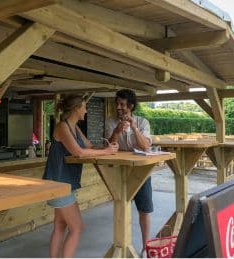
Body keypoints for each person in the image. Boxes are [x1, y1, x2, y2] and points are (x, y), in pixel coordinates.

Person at [43, 95, 119, 258]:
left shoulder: (74, 127)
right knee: (77, 228)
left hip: (65, 183)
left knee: (59, 226)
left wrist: (108, 147)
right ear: (77, 108)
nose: (86, 110)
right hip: (59, 184)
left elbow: (89, 146)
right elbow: (77, 151)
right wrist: (106, 152)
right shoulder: (62, 127)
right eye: (84, 107)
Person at [104, 89, 154, 249]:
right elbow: (108, 146)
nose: (118, 107)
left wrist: (134, 127)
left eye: (122, 104)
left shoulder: (142, 122)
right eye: (117, 103)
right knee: (121, 208)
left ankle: (146, 247)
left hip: (141, 172)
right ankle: (122, 246)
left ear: (131, 106)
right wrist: (116, 131)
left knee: (144, 210)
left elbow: (146, 146)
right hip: (120, 172)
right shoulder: (111, 122)